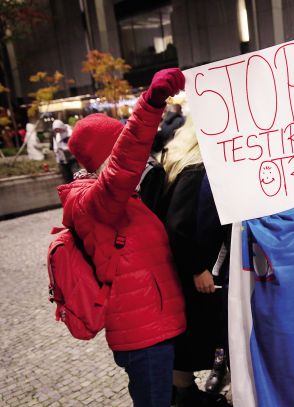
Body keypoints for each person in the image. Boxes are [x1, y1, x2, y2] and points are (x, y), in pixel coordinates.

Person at [59, 68, 186, 406]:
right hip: (142, 334)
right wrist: (150, 104)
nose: (142, 155)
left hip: (151, 327)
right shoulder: (94, 202)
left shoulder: (119, 199)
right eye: (119, 146)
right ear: (108, 156)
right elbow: (123, 165)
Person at [157, 115, 229, 406]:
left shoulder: (186, 162)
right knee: (190, 334)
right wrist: (198, 268)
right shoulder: (196, 168)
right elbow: (177, 226)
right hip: (196, 270)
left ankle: (184, 392)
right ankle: (184, 395)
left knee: (188, 332)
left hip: (188, 268)